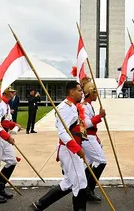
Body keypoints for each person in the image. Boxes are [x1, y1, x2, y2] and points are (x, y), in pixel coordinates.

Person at [31, 81, 87, 211]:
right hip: (69, 150)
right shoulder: (65, 107)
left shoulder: (72, 106)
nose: (81, 93)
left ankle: (40, 205)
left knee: (68, 183)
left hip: (70, 149)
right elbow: (62, 131)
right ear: (72, 92)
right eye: (79, 90)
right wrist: (76, 148)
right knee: (80, 182)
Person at [80, 77, 107, 201]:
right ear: (90, 93)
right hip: (87, 138)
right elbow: (85, 124)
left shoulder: (89, 105)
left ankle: (85, 188)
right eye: (95, 92)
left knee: (89, 164)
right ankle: (88, 189)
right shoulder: (84, 106)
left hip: (91, 137)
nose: (97, 95)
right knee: (101, 161)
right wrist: (99, 116)